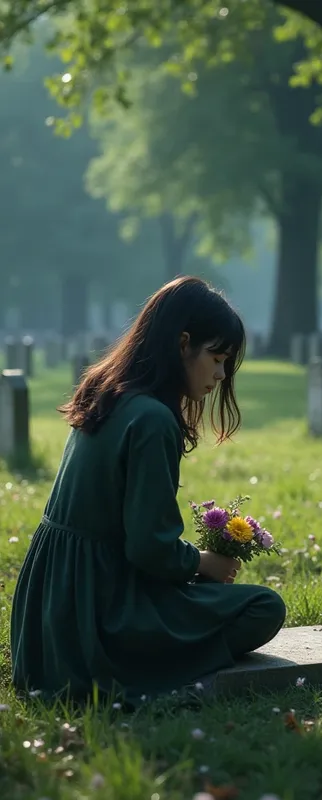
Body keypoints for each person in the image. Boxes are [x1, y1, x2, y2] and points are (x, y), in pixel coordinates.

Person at [10, 276, 286, 706]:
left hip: (46, 621)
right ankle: (152, 667)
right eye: (215, 357)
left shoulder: (106, 394)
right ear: (182, 344)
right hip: (100, 620)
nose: (220, 374)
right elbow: (149, 549)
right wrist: (203, 562)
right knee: (263, 607)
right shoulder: (153, 419)